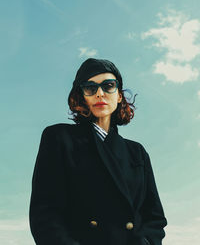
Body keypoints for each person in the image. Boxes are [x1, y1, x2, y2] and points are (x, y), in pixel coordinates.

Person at [29, 58, 167, 245]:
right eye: (90, 88)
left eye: (108, 86)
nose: (100, 93)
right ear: (81, 97)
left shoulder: (137, 152)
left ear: (119, 95)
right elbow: (45, 214)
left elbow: (154, 217)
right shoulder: (59, 138)